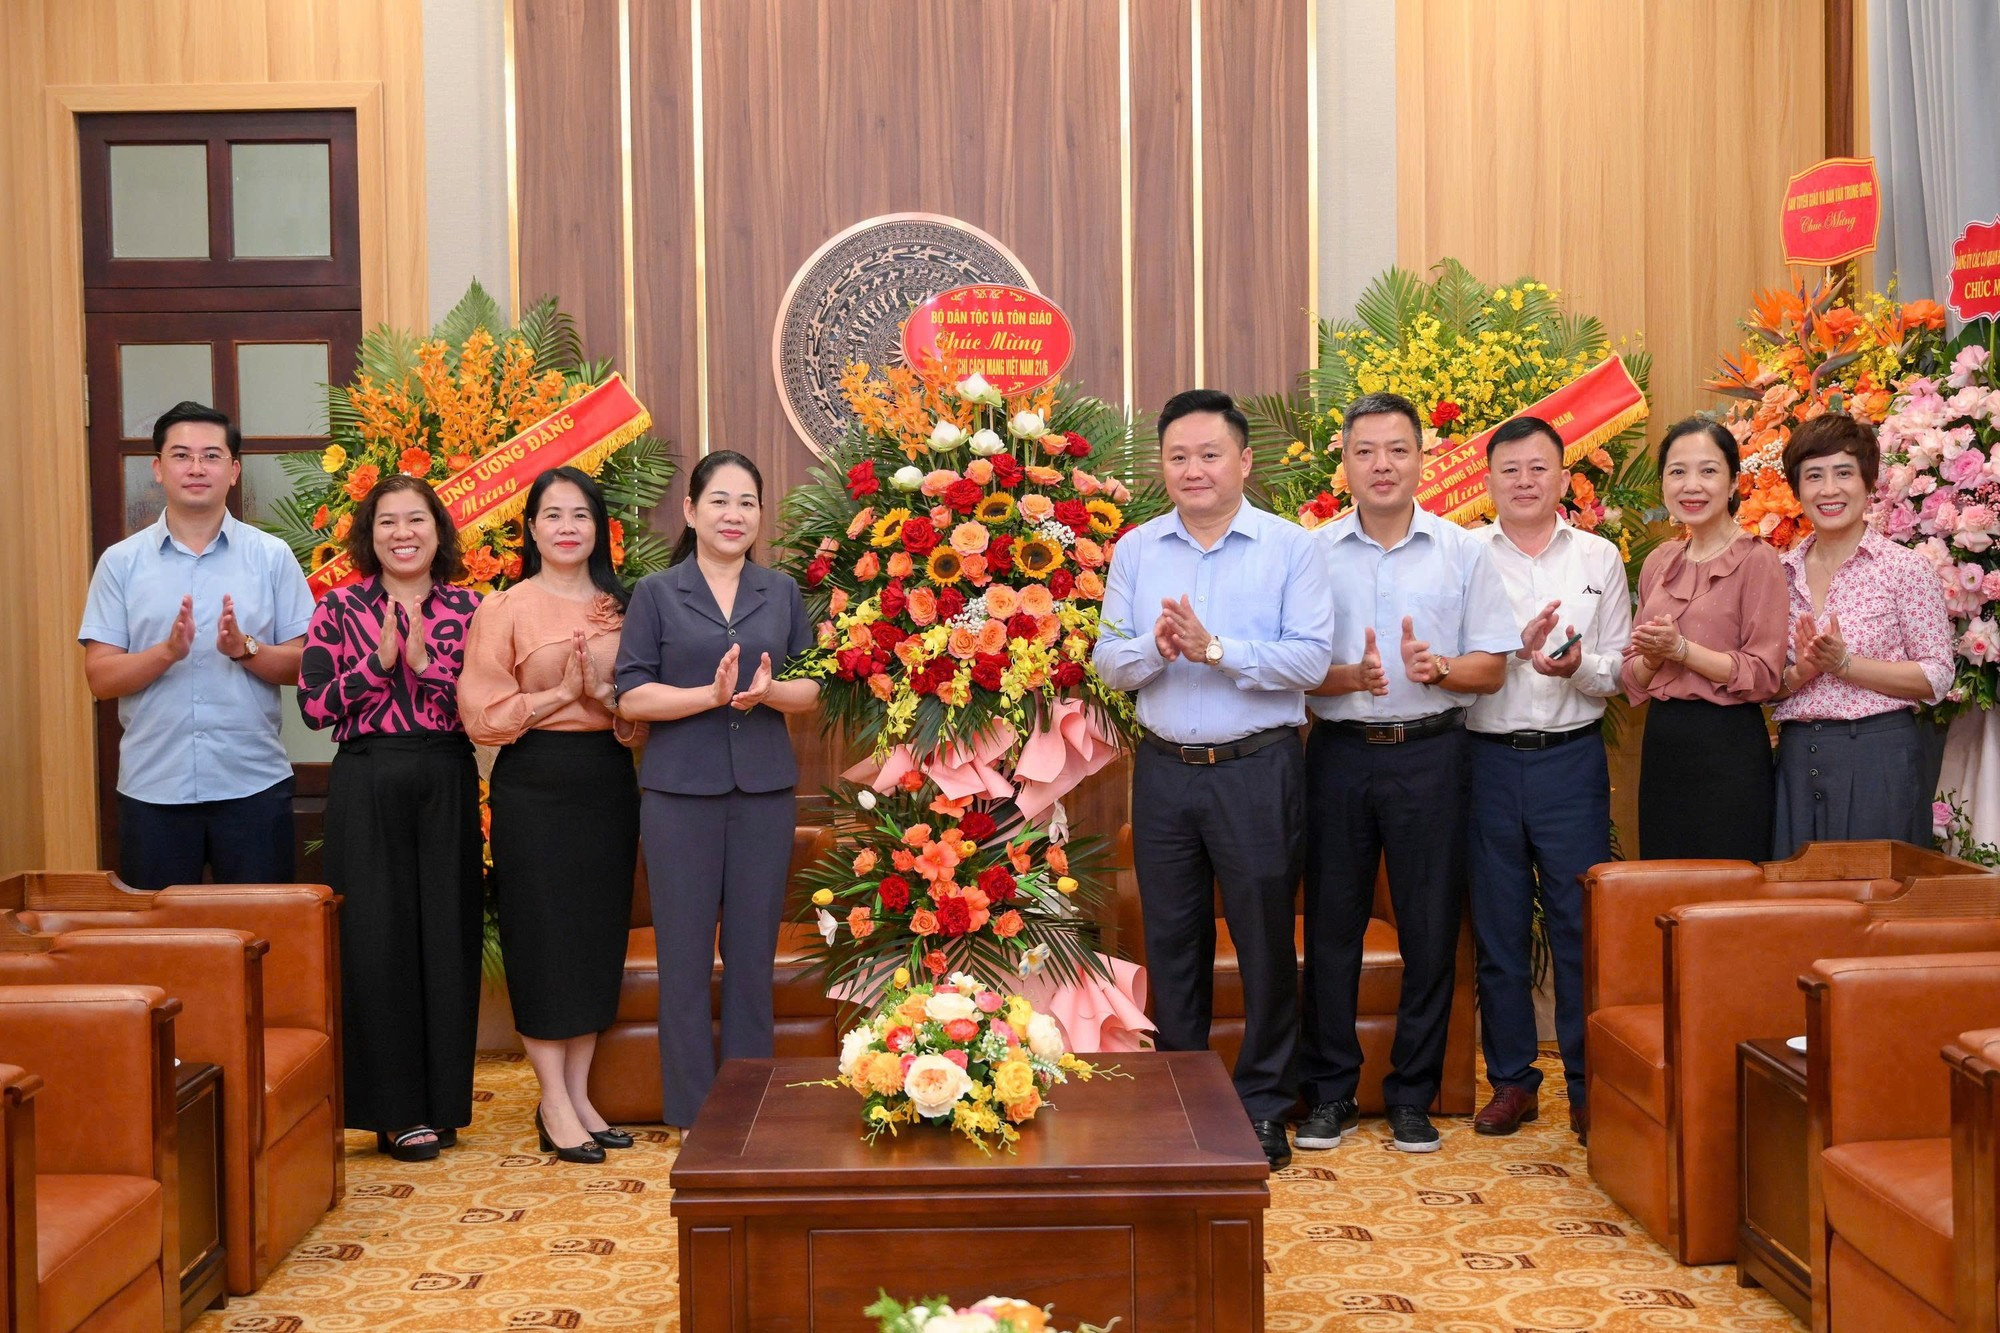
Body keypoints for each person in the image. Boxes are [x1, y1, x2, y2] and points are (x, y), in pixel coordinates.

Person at [1092, 388, 1335, 1172]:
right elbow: (1107, 659)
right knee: (1172, 942)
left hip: (1257, 768)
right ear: (1162, 466)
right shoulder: (1137, 548)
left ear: (1244, 461)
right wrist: (1159, 648)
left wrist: (1217, 648)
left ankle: (1264, 1105)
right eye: (1178, 456)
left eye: (1209, 454)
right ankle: (1184, 1097)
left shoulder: (1291, 547)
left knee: (1265, 938)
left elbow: (1308, 660)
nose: (1193, 469)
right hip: (1164, 770)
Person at [1300, 391, 1517, 1155]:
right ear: (1347, 461)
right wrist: (1340, 678)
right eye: (1366, 450)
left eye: (1397, 449)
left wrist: (1442, 668)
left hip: (1433, 754)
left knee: (1429, 928)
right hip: (1338, 756)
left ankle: (1412, 1096)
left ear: (1423, 460)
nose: (1382, 464)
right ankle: (1329, 1092)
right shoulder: (1312, 552)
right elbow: (1291, 670)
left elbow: (1491, 668)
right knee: (1333, 927)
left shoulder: (1465, 552)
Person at [613, 450, 820, 1131]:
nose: (735, 514)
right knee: (684, 957)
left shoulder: (780, 591)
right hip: (679, 796)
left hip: (763, 792)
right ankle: (693, 1115)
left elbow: (810, 686)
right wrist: (711, 694)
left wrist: (767, 692)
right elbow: (633, 693)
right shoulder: (656, 592)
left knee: (753, 955)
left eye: (748, 502)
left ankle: (749, 1104)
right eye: (721, 501)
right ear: (692, 511)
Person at [458, 467, 642, 1164]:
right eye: (552, 514)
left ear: (599, 528)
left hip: (607, 782)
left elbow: (642, 712)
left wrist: (607, 701)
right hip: (533, 785)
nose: (567, 525)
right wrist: (560, 696)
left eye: (581, 514)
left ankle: (579, 1095)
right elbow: (479, 715)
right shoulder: (505, 607)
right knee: (542, 935)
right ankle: (553, 1101)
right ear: (531, 527)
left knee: (595, 936)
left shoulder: (622, 606)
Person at [299, 474, 483, 1162]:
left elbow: (485, 707)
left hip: (445, 775)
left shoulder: (471, 607)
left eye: (415, 520)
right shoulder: (338, 607)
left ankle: (442, 1103)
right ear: (368, 537)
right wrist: (376, 667)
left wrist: (425, 666)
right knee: (376, 940)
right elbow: (315, 709)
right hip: (366, 778)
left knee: (447, 934)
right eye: (387, 523)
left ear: (439, 532)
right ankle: (395, 1110)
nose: (402, 533)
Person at [1464, 416, 1631, 1143]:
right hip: (1485, 761)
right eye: (1510, 469)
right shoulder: (1464, 556)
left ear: (1565, 478)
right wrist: (1508, 655)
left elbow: (1621, 668)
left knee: (1578, 927)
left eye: (1539, 468)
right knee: (1498, 927)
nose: (1525, 481)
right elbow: (1445, 668)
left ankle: (1591, 1088)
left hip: (1571, 758)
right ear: (1489, 480)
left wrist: (1578, 666)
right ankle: (1512, 1081)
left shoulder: (1600, 557)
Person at [78, 400, 314, 889]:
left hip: (252, 785)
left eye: (211, 456)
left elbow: (304, 665)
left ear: (233, 470)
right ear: (158, 469)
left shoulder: (271, 557)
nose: (196, 468)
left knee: (265, 941)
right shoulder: (120, 563)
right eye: (182, 455)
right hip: (152, 789)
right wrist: (166, 653)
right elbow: (100, 678)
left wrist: (245, 649)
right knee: (162, 950)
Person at [1771, 414, 1952, 857]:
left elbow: (1937, 676)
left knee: (1876, 907)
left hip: (1879, 755)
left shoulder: (1903, 567)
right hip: (1798, 756)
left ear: (1869, 483)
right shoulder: (1778, 573)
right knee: (1799, 908)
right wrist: (1803, 672)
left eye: (1844, 473)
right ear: (1797, 490)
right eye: (1814, 476)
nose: (1829, 490)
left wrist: (1844, 665)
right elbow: (1764, 683)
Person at [1622, 418, 1787, 860]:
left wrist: (1682, 651)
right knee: (1664, 887)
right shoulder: (1660, 561)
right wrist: (1656, 658)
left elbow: (1766, 676)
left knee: (1727, 897)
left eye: (1708, 471)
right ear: (1663, 485)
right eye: (1677, 472)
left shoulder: (1758, 560)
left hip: (1729, 746)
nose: (1691, 485)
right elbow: (1632, 674)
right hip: (1663, 741)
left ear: (1734, 482)